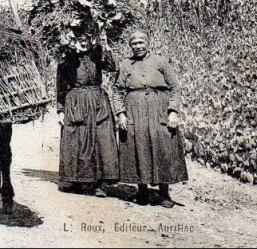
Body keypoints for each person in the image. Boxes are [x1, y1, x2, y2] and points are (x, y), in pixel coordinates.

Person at [113, 30, 188, 208]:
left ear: (148, 43)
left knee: (163, 146)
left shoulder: (160, 62)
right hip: (134, 110)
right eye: (134, 44)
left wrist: (173, 111)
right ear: (130, 46)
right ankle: (142, 190)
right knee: (138, 145)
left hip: (159, 109)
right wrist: (120, 113)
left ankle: (164, 193)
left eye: (141, 42)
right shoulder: (125, 65)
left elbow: (175, 87)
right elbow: (116, 91)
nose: (138, 46)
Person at [56, 31, 120, 197]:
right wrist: (60, 109)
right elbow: (60, 85)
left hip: (97, 100)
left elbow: (112, 68)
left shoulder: (98, 54)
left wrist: (105, 45)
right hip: (75, 101)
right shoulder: (67, 57)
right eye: (79, 39)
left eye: (85, 39)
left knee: (102, 138)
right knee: (77, 139)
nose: (82, 43)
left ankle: (101, 183)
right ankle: (77, 180)